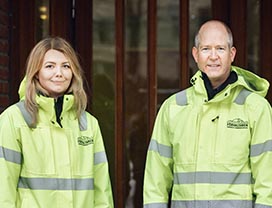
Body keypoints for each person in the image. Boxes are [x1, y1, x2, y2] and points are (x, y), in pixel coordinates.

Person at [143, 20, 272, 208]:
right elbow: (156, 181)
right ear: (195, 55)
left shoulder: (256, 108)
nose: (213, 56)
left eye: (220, 48)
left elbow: (268, 183)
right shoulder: (173, 108)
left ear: (232, 54)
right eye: (205, 49)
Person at [0, 37, 114, 207]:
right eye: (49, 66)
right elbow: (4, 188)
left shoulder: (89, 124)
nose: (59, 73)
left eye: (66, 66)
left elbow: (102, 189)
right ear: (36, 72)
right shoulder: (14, 119)